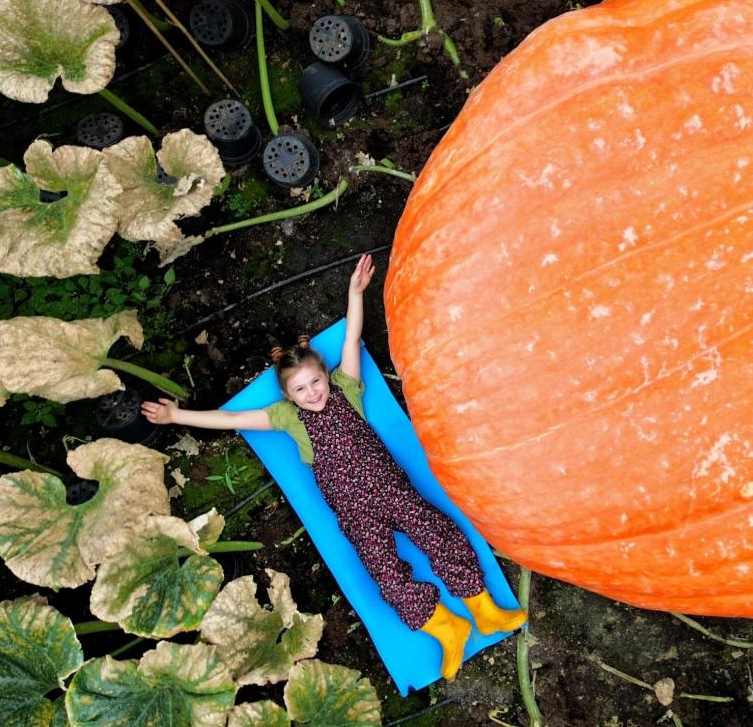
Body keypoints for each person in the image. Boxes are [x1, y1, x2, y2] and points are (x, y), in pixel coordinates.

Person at [141, 254, 526, 680]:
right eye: (300, 389)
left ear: (327, 376)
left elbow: (351, 339)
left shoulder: (347, 388)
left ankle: (484, 609)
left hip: (391, 489)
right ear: (288, 396)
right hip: (355, 514)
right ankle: (446, 628)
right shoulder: (286, 419)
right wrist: (178, 417)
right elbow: (231, 420)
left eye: (316, 382)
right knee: (386, 575)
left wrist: (354, 293)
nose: (312, 393)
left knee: (438, 534)